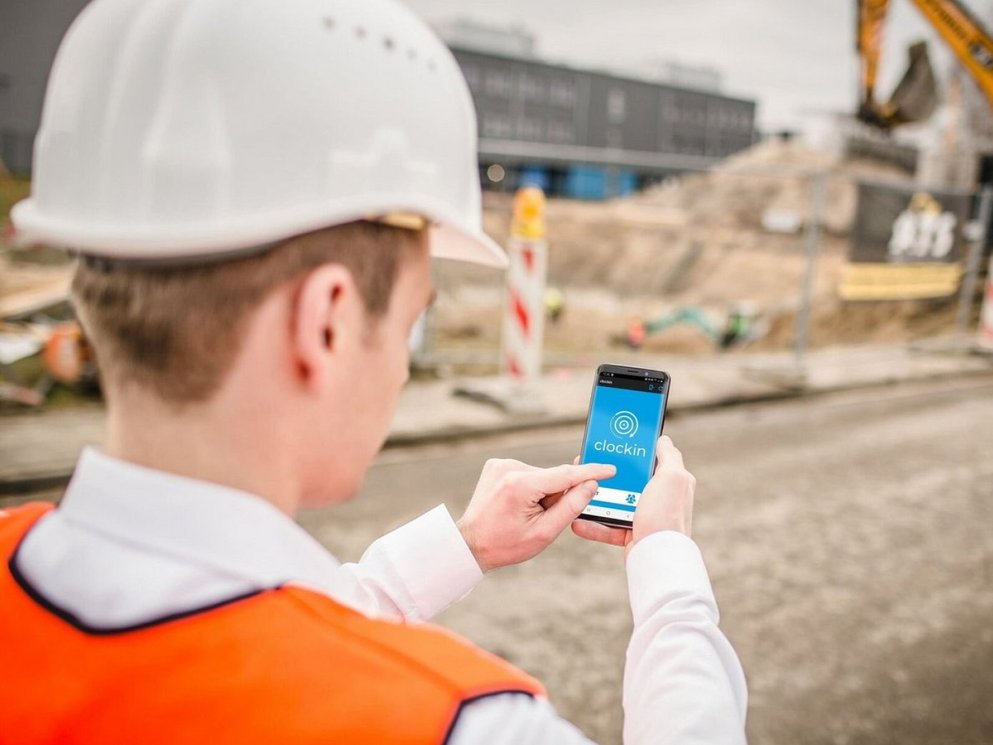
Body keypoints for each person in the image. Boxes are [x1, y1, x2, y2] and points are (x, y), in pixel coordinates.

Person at [2, 0, 747, 742]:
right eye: (407, 319)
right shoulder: (454, 722)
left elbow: (227, 624)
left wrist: (461, 545)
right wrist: (667, 571)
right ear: (325, 323)